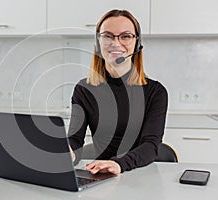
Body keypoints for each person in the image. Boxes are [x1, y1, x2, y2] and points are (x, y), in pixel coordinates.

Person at [68, 9, 168, 175]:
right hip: (101, 175)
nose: (115, 43)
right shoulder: (84, 90)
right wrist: (67, 153)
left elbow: (151, 145)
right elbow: (75, 140)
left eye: (126, 36)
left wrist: (118, 164)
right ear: (98, 42)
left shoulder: (155, 92)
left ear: (137, 43)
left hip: (141, 174)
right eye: (107, 36)